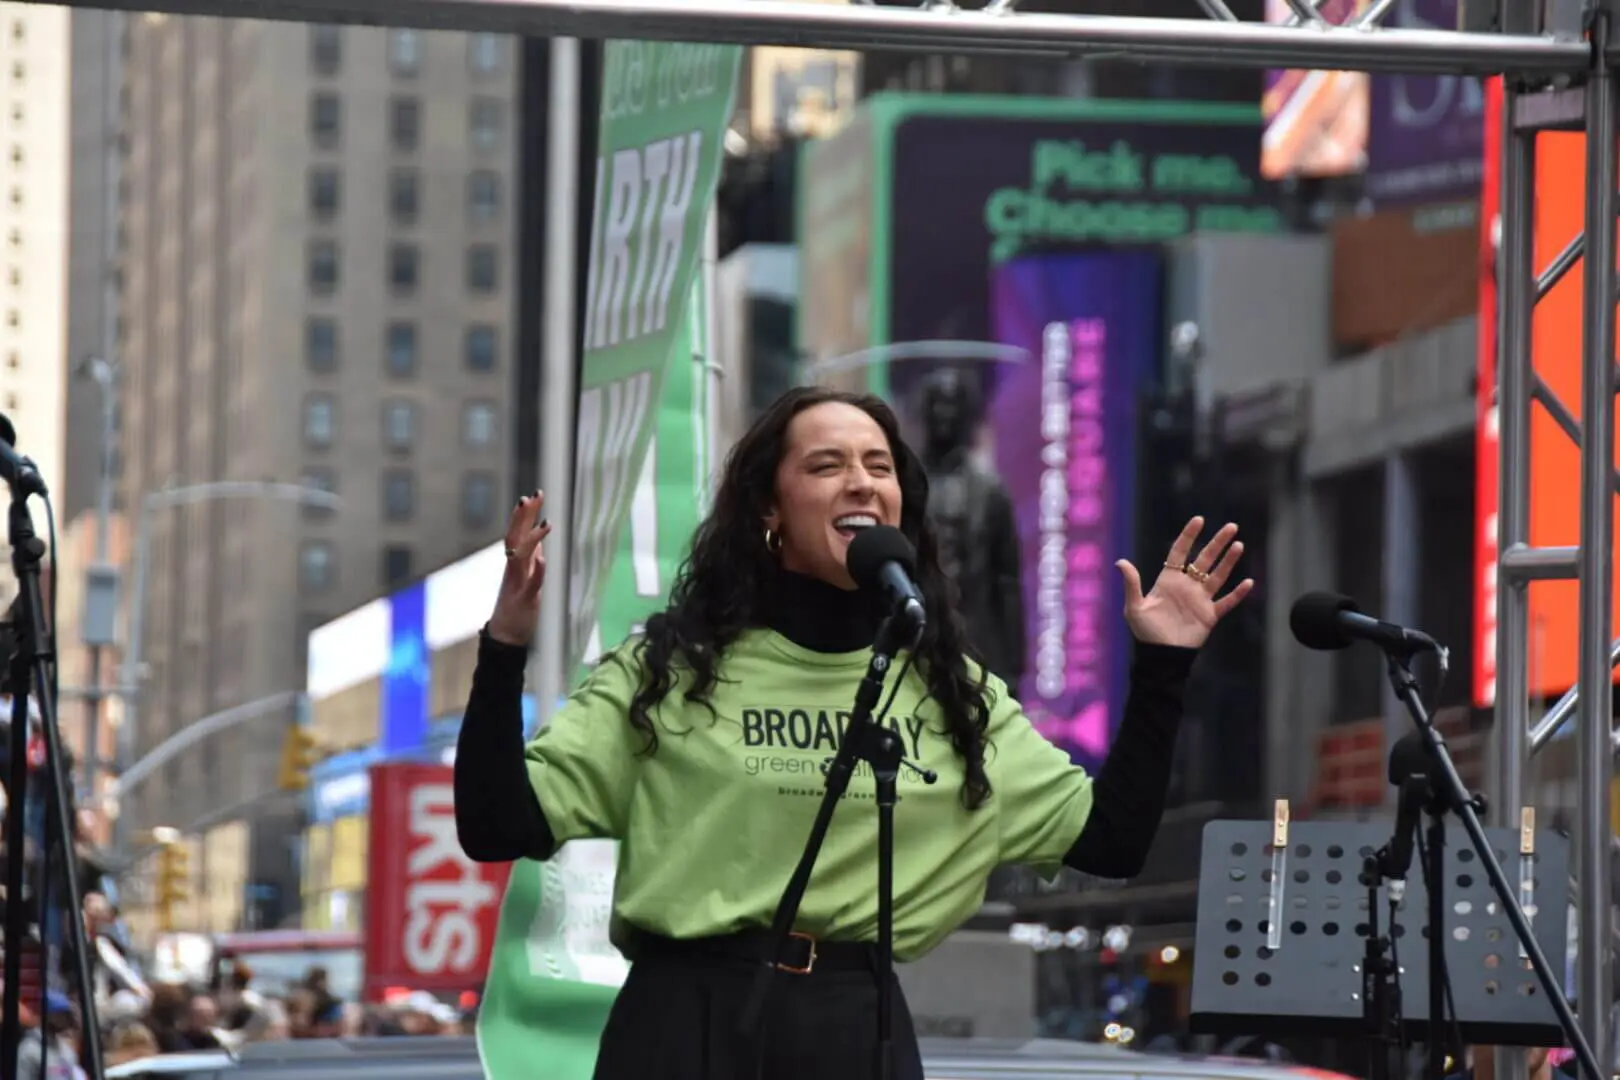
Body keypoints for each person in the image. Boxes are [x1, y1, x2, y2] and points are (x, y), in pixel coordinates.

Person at [454, 386, 1254, 1080]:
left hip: (854, 1022)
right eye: (826, 465)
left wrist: (1162, 668)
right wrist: (504, 652)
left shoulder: (950, 691)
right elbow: (497, 824)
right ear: (769, 506)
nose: (861, 483)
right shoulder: (673, 667)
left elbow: (1109, 842)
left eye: (879, 466)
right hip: (686, 1019)